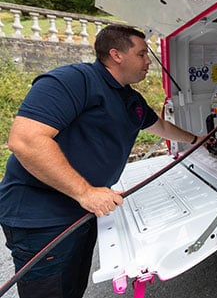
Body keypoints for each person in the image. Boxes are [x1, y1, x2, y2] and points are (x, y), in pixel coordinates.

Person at [0, 24, 204, 298]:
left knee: (72, 287)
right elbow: (26, 140)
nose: (148, 62)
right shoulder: (74, 80)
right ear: (116, 54)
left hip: (83, 211)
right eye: (142, 54)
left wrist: (196, 139)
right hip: (41, 217)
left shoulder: (130, 98)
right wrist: (85, 192)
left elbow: (162, 128)